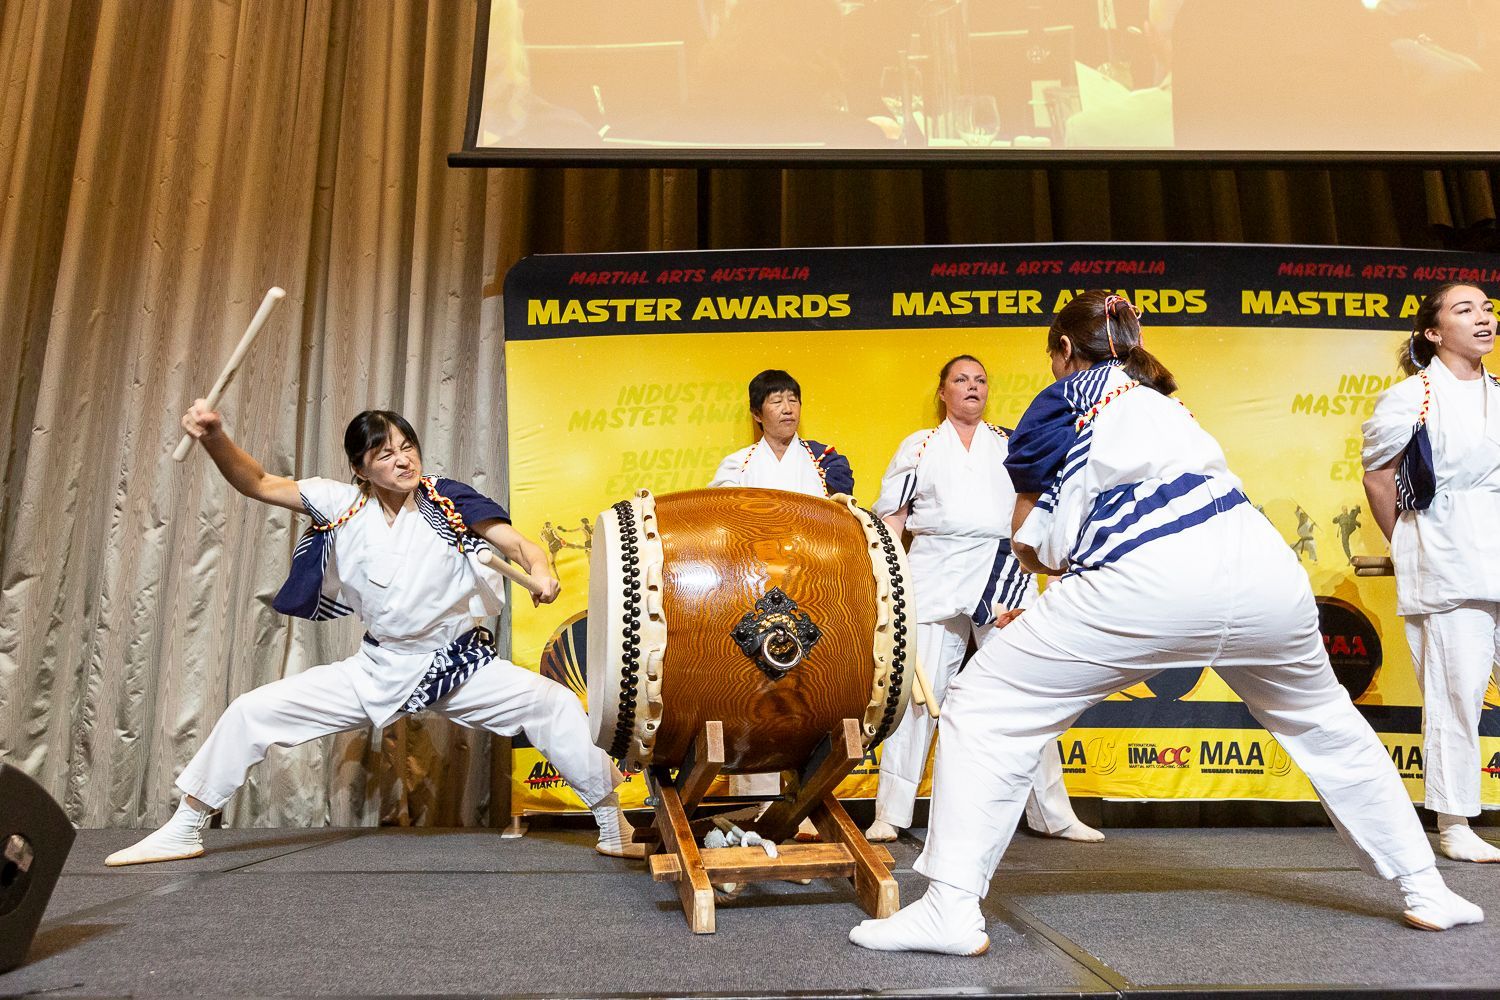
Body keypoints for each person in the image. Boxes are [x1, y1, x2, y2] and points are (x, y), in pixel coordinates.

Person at [849, 290, 1482, 956]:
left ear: (1064, 349)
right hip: (1265, 576)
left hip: (1152, 579)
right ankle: (1427, 888)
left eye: (1055, 355)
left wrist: (1044, 574)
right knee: (1330, 726)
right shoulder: (1165, 402)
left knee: (984, 703)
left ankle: (949, 909)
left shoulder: (1064, 397)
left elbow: (1032, 542)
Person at [106, 404, 641, 866]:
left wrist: (541, 572)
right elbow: (259, 483)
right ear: (360, 468)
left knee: (552, 704)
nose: (403, 460)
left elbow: (519, 545)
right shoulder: (340, 504)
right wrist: (215, 437)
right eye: (385, 454)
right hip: (379, 667)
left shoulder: (447, 500)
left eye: (408, 447)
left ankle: (612, 825)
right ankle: (185, 827)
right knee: (251, 711)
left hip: (457, 664)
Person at [863, 355, 1102, 846]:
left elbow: (1036, 510)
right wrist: (890, 585)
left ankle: (1052, 814)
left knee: (1027, 691)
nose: (972, 387)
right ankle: (891, 813)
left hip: (1004, 571)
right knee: (916, 696)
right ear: (943, 391)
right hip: (934, 572)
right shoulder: (920, 445)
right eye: (960, 380)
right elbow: (893, 521)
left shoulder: (1010, 442)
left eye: (979, 380)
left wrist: (1043, 568)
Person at [1362, 282, 1500, 865]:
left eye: (1487, 308)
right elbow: (1378, 477)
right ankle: (1454, 820)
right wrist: (1409, 543)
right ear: (1434, 332)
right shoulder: (1411, 397)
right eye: (1465, 310)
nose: (1483, 317)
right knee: (1456, 695)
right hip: (1446, 557)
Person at [708, 368, 853, 844]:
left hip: (812, 586)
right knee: (754, 693)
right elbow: (723, 525)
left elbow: (841, 508)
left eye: (793, 399)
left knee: (807, 692)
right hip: (753, 591)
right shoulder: (736, 465)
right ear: (757, 413)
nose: (787, 408)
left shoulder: (826, 459)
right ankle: (751, 814)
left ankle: (801, 810)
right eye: (776, 401)